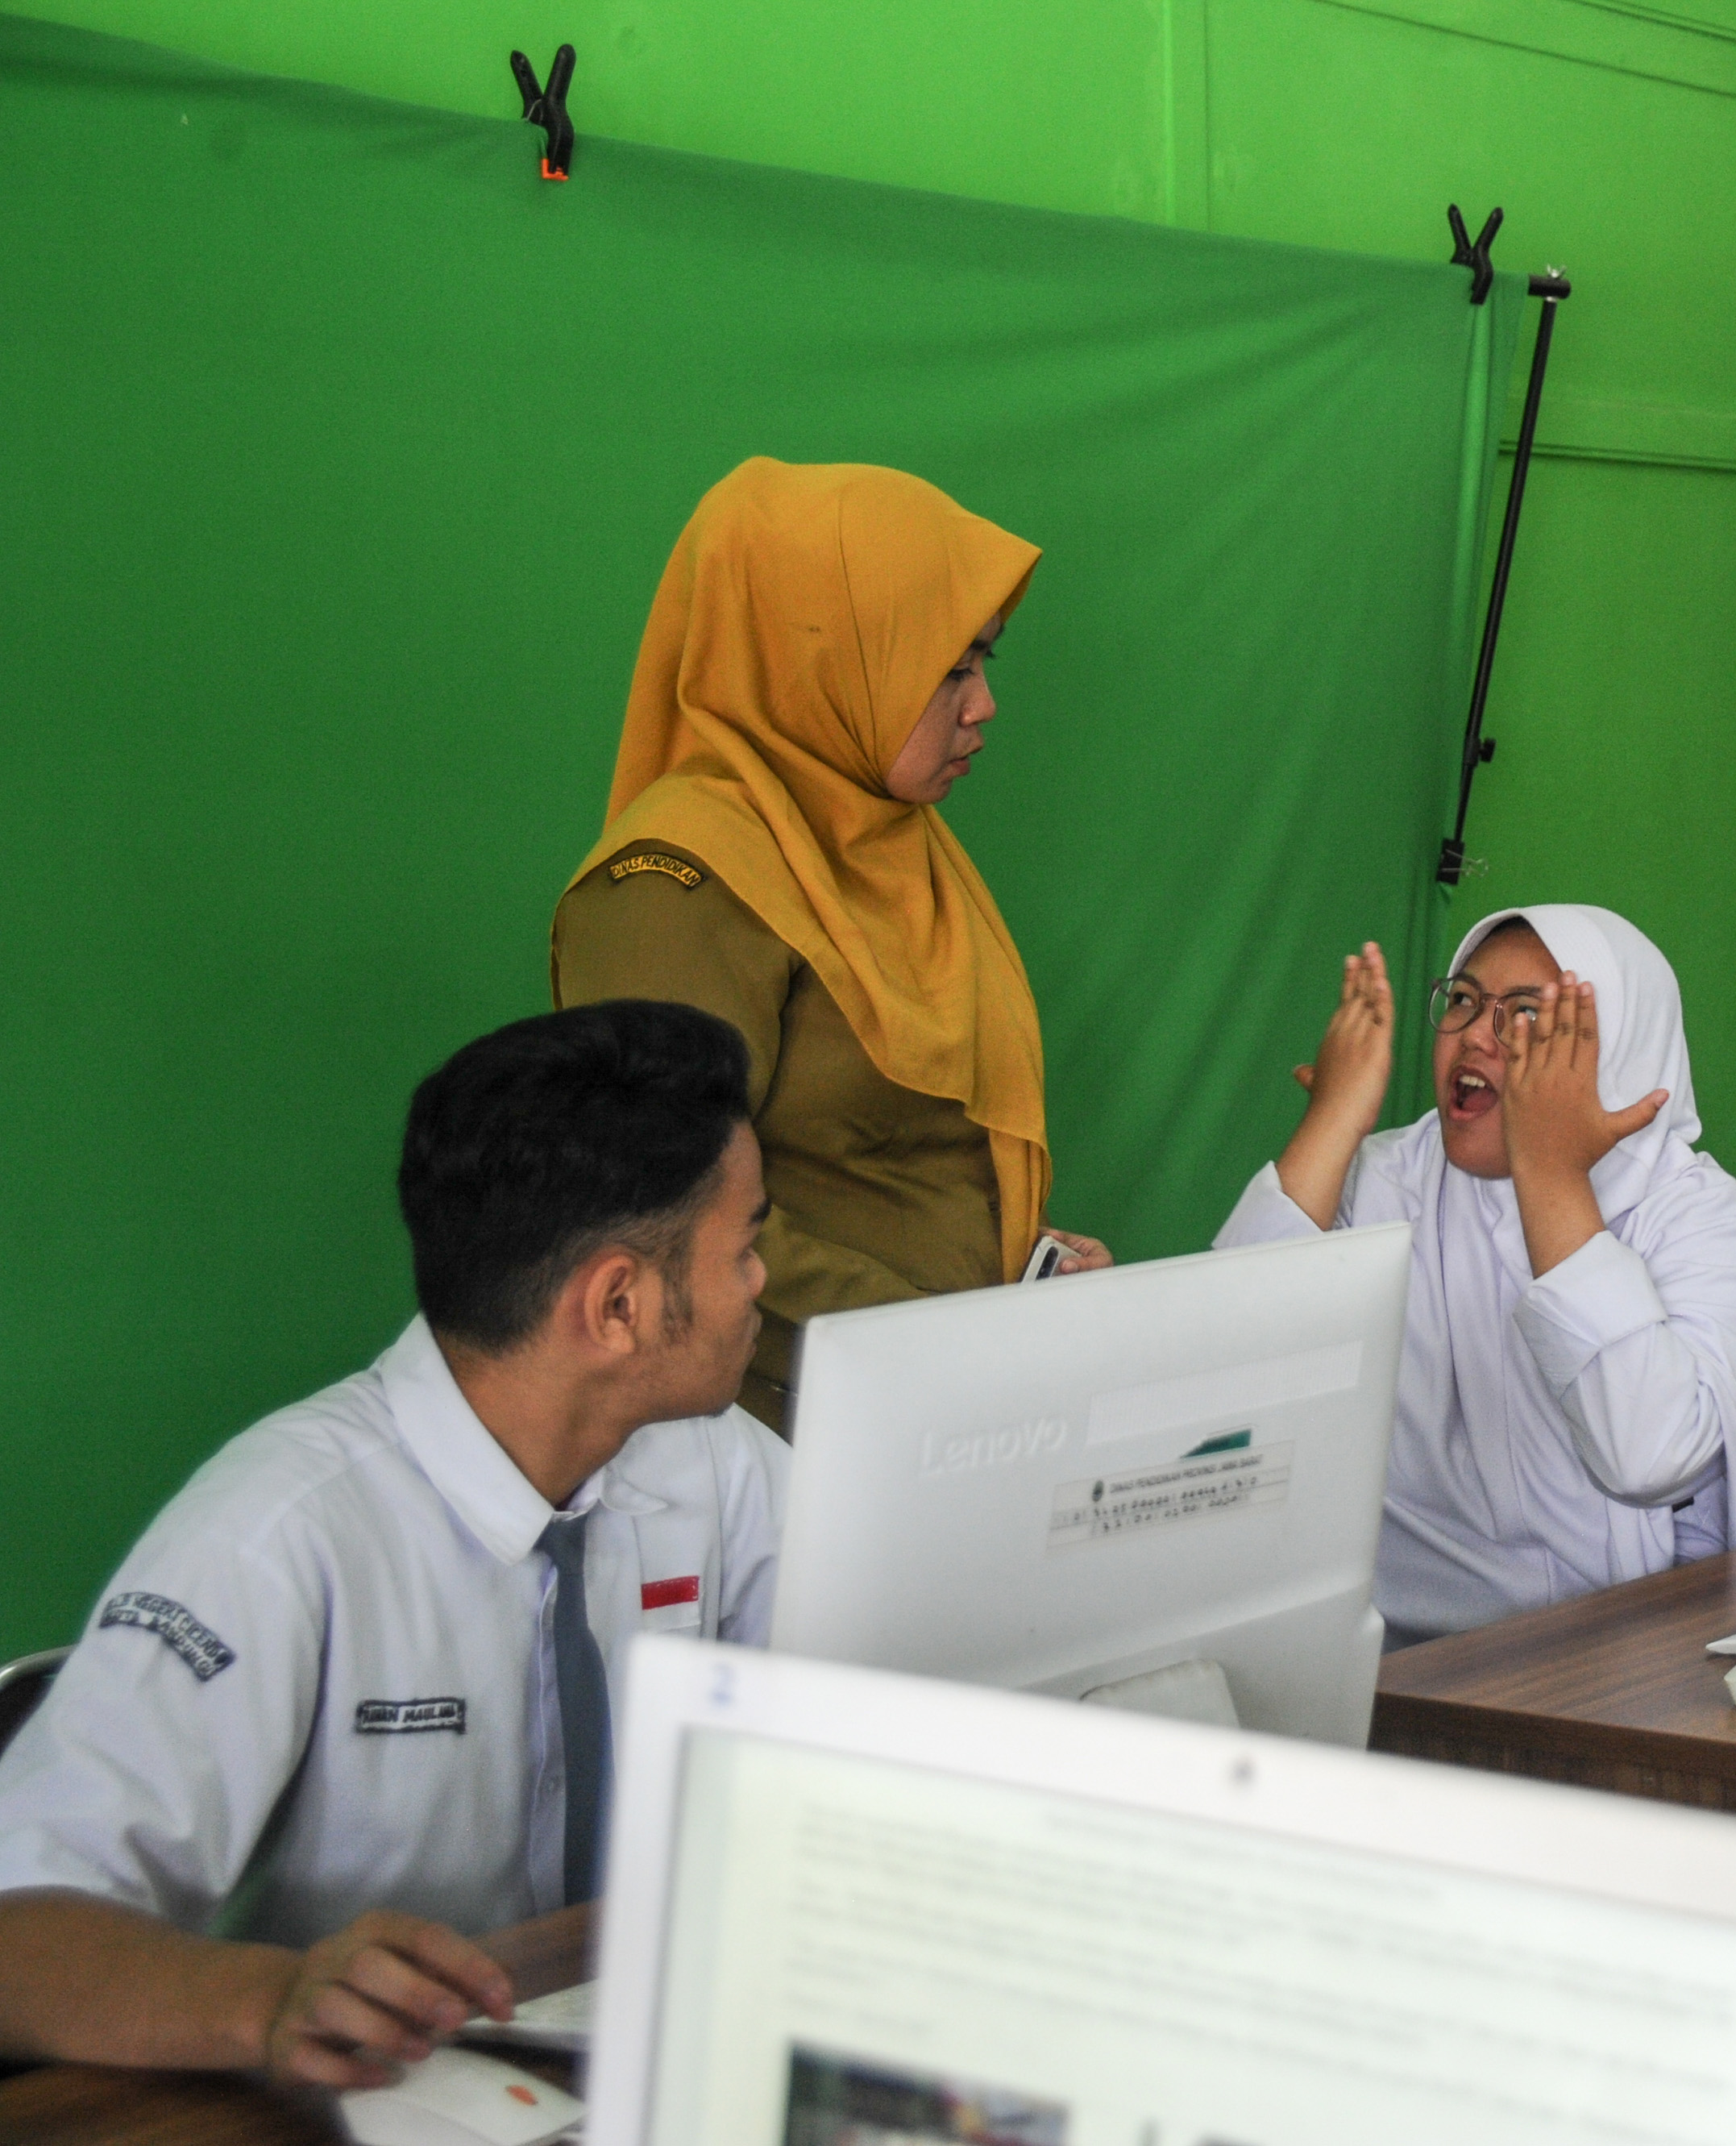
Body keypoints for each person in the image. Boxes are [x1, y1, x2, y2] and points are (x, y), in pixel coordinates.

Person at [0, 1001, 786, 2086]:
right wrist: (269, 2000)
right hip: (391, 2098)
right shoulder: (279, 1532)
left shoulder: (715, 1460)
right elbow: (18, 1932)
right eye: (744, 1245)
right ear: (619, 1304)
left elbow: (872, 1713)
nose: (761, 1282)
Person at [553, 458, 1106, 1434]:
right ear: (819, 655)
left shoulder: (892, 844)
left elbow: (914, 1160)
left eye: (984, 660)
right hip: (773, 1440)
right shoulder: (676, 886)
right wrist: (961, 1336)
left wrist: (1022, 1266)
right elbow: (662, 1208)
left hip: (938, 1403)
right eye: (946, 668)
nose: (982, 706)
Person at [1215, 906, 1736, 1643]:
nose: (1477, 1034)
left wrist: (1548, 1172)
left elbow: (1649, 1456)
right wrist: (1334, 1119)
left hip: (1644, 1649)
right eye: (1463, 1001)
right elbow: (1225, 1382)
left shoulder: (1700, 1218)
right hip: (1410, 1670)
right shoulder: (1385, 1180)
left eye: (1526, 1017)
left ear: (1623, 1056)